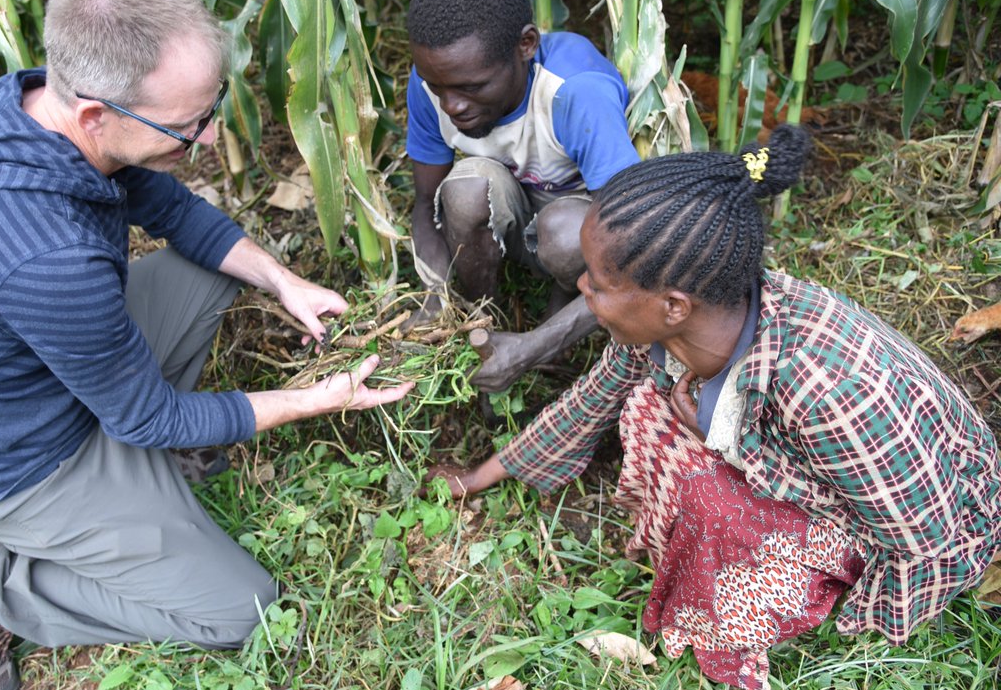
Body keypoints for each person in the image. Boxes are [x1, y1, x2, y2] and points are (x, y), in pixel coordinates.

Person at [0, 0, 413, 690]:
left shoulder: (36, 112)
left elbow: (171, 210)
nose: (205, 138)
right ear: (95, 115)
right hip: (23, 462)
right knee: (242, 610)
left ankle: (139, 490)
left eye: (209, 107)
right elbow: (148, 414)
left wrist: (283, 279)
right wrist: (316, 398)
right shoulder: (45, 256)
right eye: (187, 123)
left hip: (55, 375)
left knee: (211, 270)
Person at [421, 125, 1001, 689]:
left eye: (597, 281)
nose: (582, 292)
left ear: (673, 305)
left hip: (926, 515)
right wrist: (479, 477)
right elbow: (591, 401)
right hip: (848, 477)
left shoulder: (826, 386)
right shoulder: (689, 320)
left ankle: (768, 599)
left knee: (710, 494)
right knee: (647, 405)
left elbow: (922, 539)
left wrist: (864, 628)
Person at [404, 0, 639, 393]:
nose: (452, 106)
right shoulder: (431, 83)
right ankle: (482, 320)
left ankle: (555, 324)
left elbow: (633, 252)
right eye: (440, 88)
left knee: (566, 234)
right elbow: (425, 203)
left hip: (582, 226)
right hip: (512, 212)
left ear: (526, 44)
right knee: (465, 192)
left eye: (472, 88)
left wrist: (537, 345)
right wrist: (437, 300)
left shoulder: (574, 92)